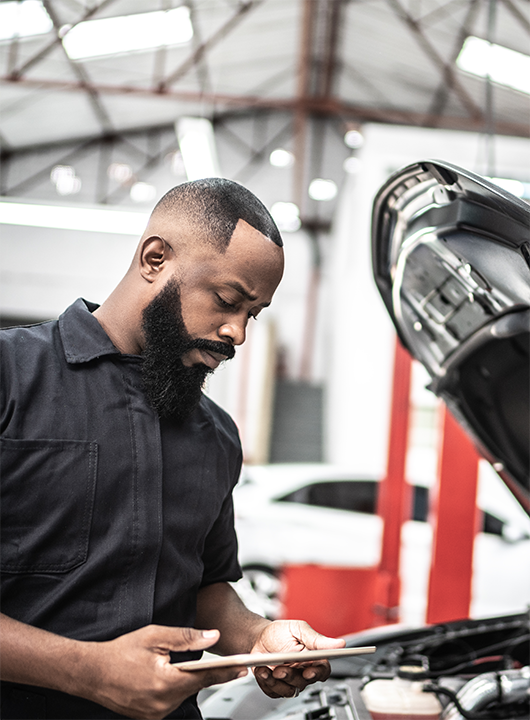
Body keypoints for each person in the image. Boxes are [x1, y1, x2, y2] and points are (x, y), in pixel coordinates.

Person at [0, 178, 345, 720]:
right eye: (227, 301)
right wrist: (88, 671)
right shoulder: (12, 377)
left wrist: (259, 637)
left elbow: (205, 588)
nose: (237, 333)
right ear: (155, 258)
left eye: (251, 314)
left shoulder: (216, 436)